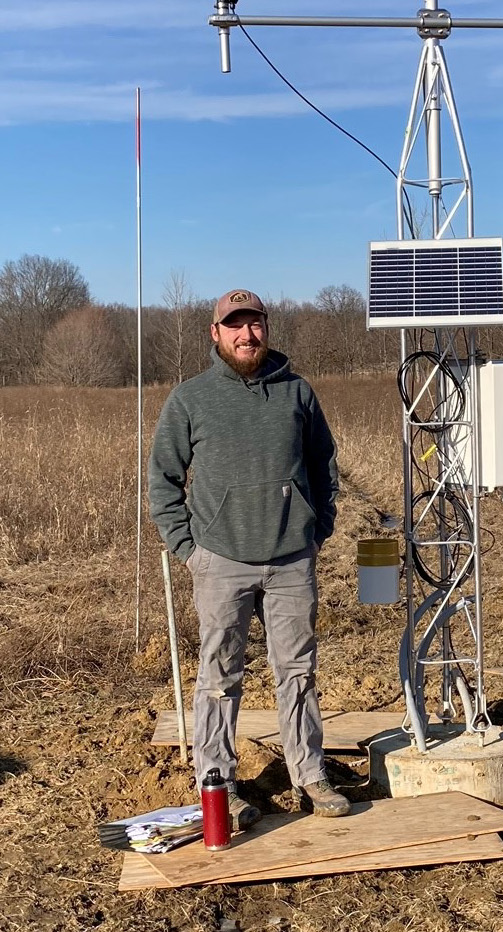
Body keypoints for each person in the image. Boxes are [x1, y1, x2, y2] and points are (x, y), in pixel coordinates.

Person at [148, 288, 350, 824]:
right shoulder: (190, 399)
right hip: (221, 562)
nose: (246, 335)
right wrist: (189, 549)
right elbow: (163, 481)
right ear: (215, 334)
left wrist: (316, 530)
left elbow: (325, 467)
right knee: (218, 675)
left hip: (291, 562)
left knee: (299, 671)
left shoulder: (297, 394)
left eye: (254, 324)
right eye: (233, 325)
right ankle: (219, 785)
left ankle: (310, 775)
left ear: (266, 328)